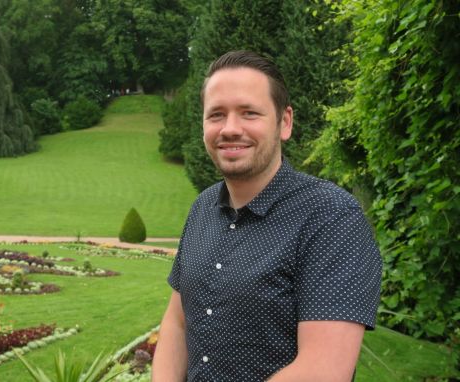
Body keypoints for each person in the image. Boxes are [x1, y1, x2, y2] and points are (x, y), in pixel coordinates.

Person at [151, 50, 382, 382]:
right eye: (216, 114)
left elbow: (324, 371)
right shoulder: (202, 208)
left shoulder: (331, 218)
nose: (230, 129)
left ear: (284, 122)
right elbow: (177, 321)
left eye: (249, 113)